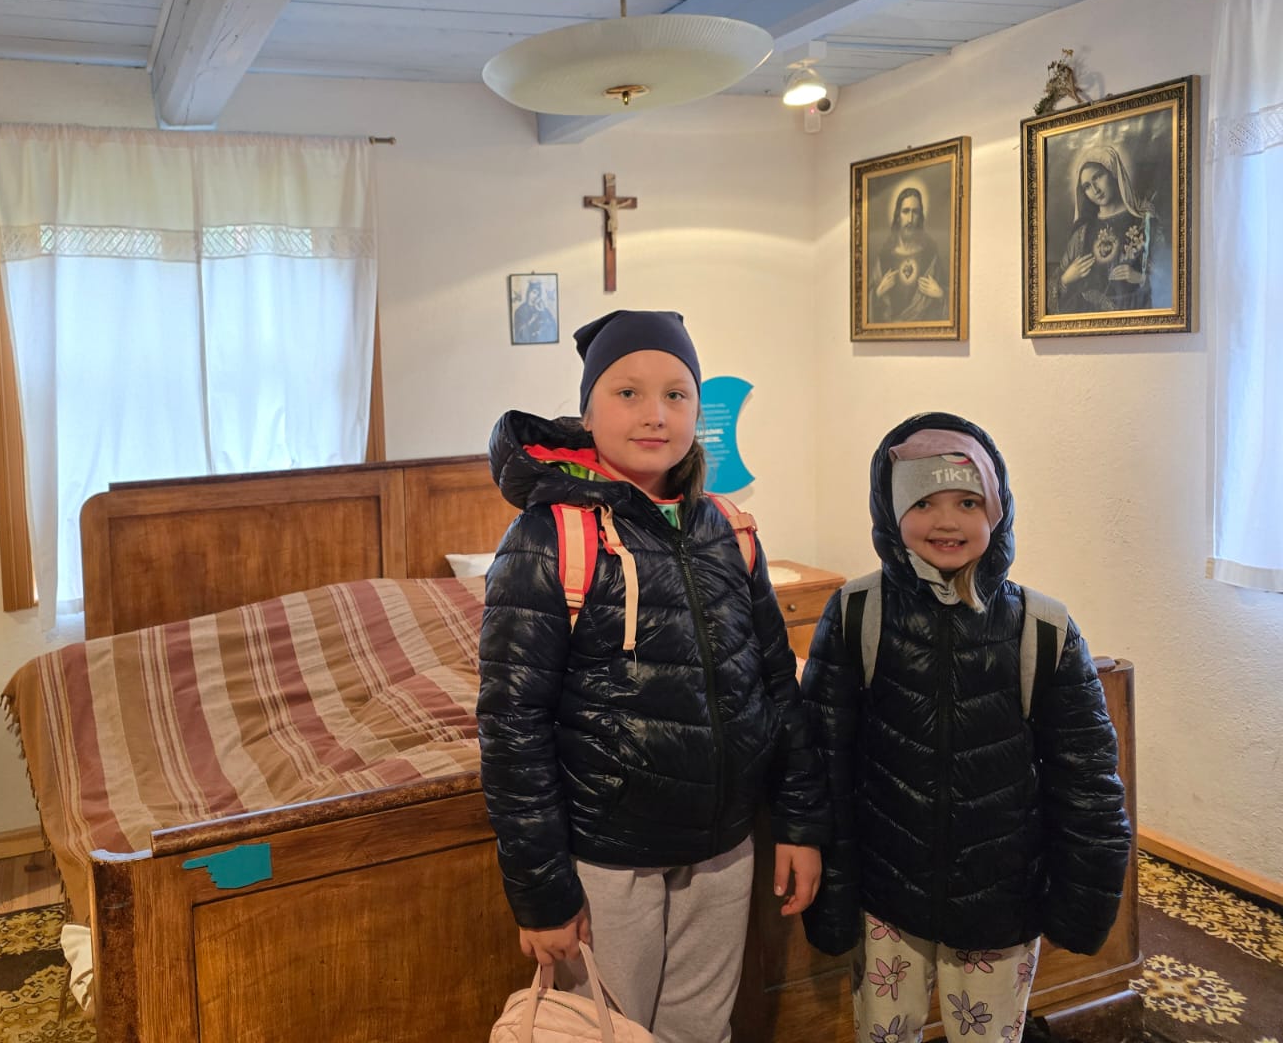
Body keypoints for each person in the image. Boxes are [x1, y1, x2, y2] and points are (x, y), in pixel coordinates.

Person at [477, 309, 829, 1043]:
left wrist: (798, 822)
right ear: (588, 411)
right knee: (610, 1031)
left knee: (702, 1031)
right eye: (628, 392)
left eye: (676, 394)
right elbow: (512, 727)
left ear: (698, 411)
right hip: (609, 859)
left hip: (724, 848)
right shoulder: (548, 537)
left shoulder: (730, 530)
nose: (655, 414)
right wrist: (541, 892)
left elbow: (777, 688)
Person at [799, 412, 1131, 1043]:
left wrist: (1084, 899)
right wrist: (830, 885)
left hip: (1001, 902)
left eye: (968, 502)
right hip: (887, 898)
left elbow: (1087, 778)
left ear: (996, 511)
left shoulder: (1043, 628)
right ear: (890, 510)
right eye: (923, 502)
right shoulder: (856, 613)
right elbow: (821, 760)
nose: (946, 521)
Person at [1049, 147, 1161, 314]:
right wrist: (1066, 278)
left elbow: (1168, 277)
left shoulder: (1145, 222)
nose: (1095, 190)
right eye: (1087, 186)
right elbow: (1051, 292)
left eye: (1097, 177)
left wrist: (1140, 277)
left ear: (1113, 173)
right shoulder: (1082, 233)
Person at [868, 187, 947, 323]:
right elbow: (863, 308)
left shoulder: (930, 256)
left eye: (915, 212)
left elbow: (952, 303)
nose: (910, 219)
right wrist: (877, 293)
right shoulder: (884, 258)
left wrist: (941, 294)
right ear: (898, 216)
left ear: (920, 217)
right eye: (905, 211)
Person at [512, 279, 557, 343]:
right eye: (534, 292)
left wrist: (543, 311)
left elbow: (553, 327)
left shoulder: (542, 309)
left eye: (538, 294)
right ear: (529, 293)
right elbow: (519, 334)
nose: (536, 296)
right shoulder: (520, 310)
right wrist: (531, 321)